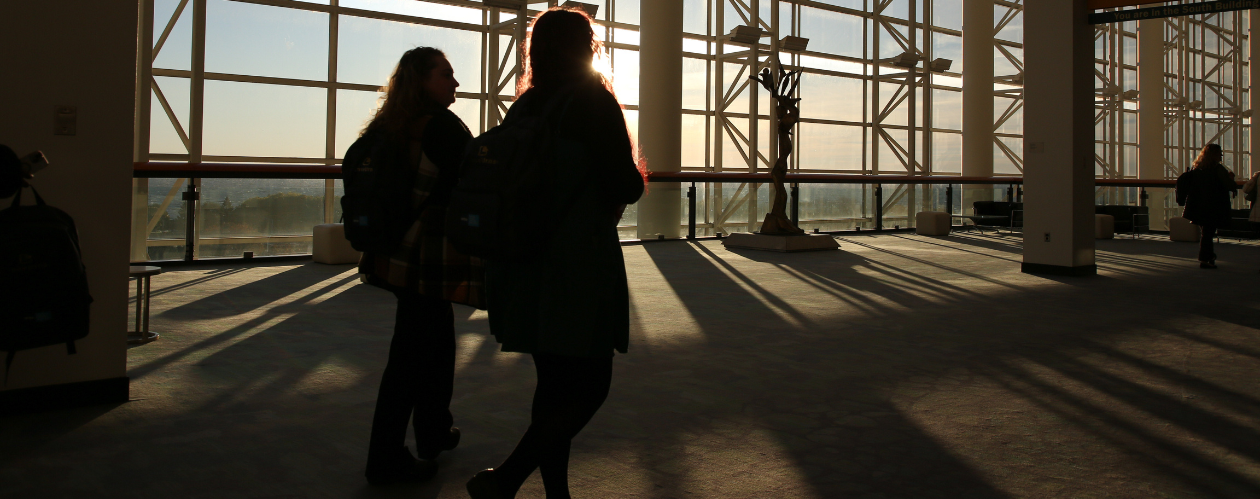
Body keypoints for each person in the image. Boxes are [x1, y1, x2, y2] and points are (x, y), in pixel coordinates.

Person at [464, 7, 646, 499]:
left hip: (524, 257)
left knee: (552, 387)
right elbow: (627, 185)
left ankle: (556, 494)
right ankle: (507, 479)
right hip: (575, 260)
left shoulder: (525, 106)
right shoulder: (592, 101)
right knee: (591, 385)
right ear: (585, 46)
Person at [357, 47, 485, 485]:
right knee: (411, 357)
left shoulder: (387, 127)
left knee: (431, 342)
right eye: (446, 74)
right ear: (423, 80)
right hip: (426, 259)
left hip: (393, 254)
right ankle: (386, 457)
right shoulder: (442, 128)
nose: (455, 83)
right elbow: (478, 177)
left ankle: (432, 431)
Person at [1176, 143, 1237, 269]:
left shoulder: (1197, 169)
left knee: (1206, 233)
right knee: (1208, 233)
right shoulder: (1218, 169)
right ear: (1214, 155)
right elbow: (1229, 185)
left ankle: (1207, 257)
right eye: (1220, 153)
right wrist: (1231, 178)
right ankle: (1205, 258)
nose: (1221, 155)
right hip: (1213, 206)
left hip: (1198, 206)